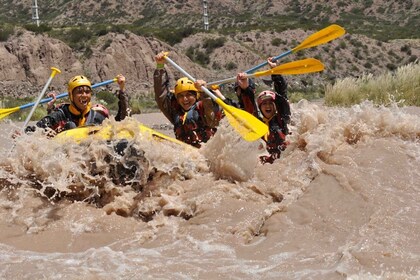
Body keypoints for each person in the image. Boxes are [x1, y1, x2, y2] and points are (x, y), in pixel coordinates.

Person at [154, 52, 223, 148]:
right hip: (187, 154)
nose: (185, 99)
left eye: (189, 95)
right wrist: (160, 67)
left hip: (205, 153)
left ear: (196, 95)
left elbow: (212, 118)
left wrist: (204, 92)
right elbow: (160, 96)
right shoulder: (175, 112)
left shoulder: (203, 107)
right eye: (181, 96)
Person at [25, 74, 129, 135]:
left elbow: (120, 121)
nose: (84, 95)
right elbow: (38, 128)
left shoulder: (97, 115)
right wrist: (25, 134)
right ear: (71, 95)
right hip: (66, 153)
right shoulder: (60, 114)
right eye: (79, 92)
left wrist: (122, 90)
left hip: (88, 155)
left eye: (87, 92)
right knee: (71, 126)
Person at [256, 57, 291, 164]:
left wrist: (275, 72)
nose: (268, 106)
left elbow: (282, 96)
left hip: (284, 161)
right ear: (260, 107)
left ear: (275, 105)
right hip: (268, 163)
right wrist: (243, 88)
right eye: (264, 104)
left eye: (270, 103)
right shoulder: (257, 123)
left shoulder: (281, 119)